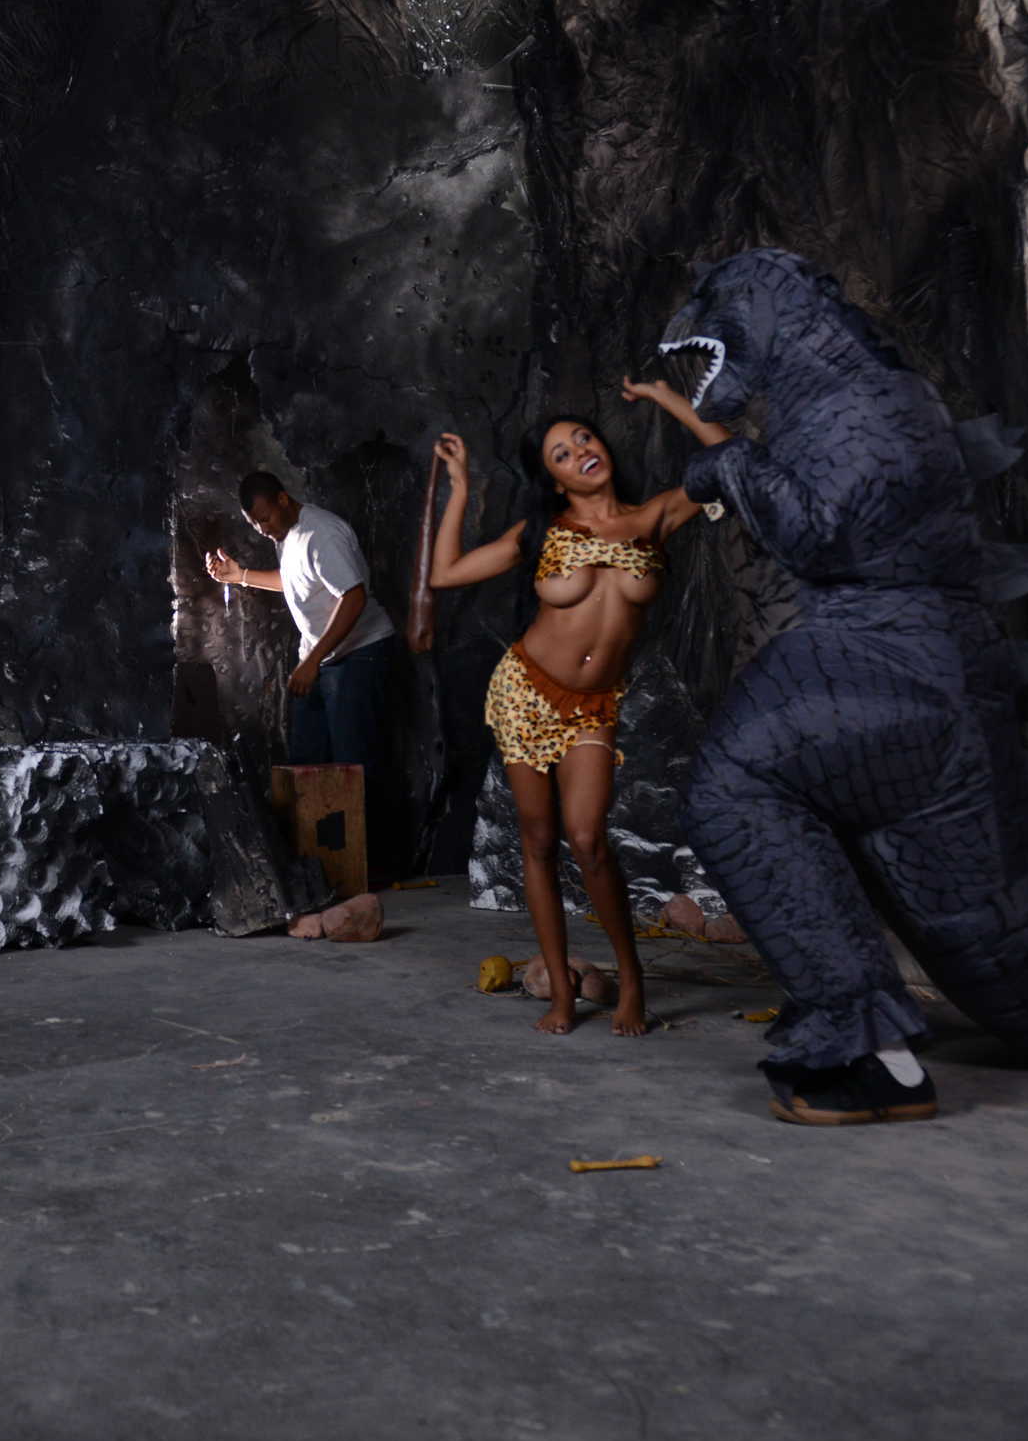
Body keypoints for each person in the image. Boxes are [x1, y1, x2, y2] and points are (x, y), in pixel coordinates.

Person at [427, 382, 727, 1035]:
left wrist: (665, 397)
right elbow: (445, 573)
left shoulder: (655, 516)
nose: (580, 452)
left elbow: (729, 460)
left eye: (584, 438)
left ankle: (632, 979)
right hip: (524, 691)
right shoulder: (541, 530)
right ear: (554, 479)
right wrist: (460, 485)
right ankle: (561, 991)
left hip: (592, 706)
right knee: (537, 840)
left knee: (589, 839)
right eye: (561, 453)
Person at [205, 472, 401, 794]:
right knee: (307, 765)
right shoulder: (286, 533)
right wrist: (240, 576)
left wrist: (312, 660)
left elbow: (354, 596)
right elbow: (296, 581)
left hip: (359, 654)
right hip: (321, 660)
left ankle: (370, 828)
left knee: (354, 767)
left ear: (283, 499)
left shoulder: (322, 534)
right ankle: (317, 829)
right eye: (255, 524)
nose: (262, 530)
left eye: (265, 519)